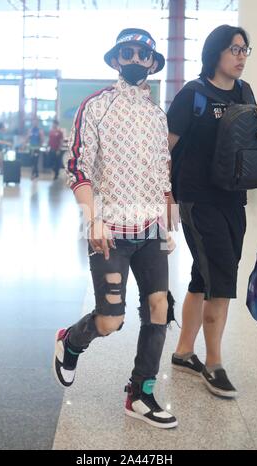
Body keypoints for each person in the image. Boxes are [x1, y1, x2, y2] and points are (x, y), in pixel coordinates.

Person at [53, 28, 178, 429]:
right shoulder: (96, 106)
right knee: (110, 321)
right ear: (115, 59)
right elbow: (78, 168)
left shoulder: (158, 116)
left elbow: (163, 174)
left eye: (145, 55)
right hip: (110, 231)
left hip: (152, 231)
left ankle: (140, 393)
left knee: (159, 307)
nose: (137, 60)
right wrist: (92, 218)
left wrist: (168, 223)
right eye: (129, 52)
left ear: (153, 63)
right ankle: (70, 342)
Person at [167, 25, 256, 398]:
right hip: (197, 198)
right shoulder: (192, 95)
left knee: (203, 276)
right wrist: (164, 196)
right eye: (234, 49)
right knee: (220, 272)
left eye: (244, 50)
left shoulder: (244, 93)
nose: (240, 56)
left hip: (233, 197)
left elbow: (255, 147)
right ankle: (214, 363)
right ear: (215, 52)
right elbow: (165, 150)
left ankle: (183, 352)